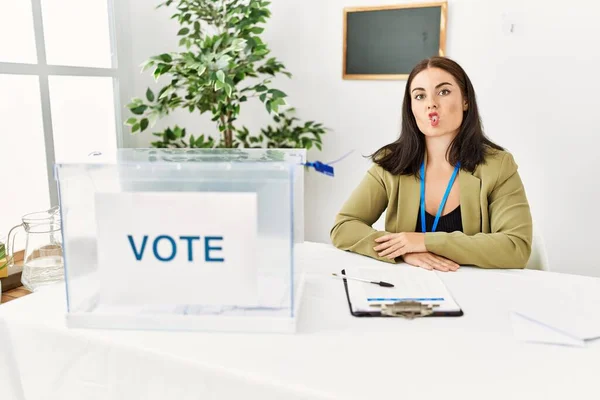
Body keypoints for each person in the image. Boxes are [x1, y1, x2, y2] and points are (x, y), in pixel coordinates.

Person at [330, 56, 532, 271]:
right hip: (409, 287)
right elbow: (344, 227)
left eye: (443, 92)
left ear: (466, 101)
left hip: (476, 290)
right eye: (419, 96)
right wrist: (403, 251)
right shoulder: (391, 163)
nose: (431, 104)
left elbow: (516, 247)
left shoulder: (498, 165)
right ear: (411, 108)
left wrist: (424, 241)